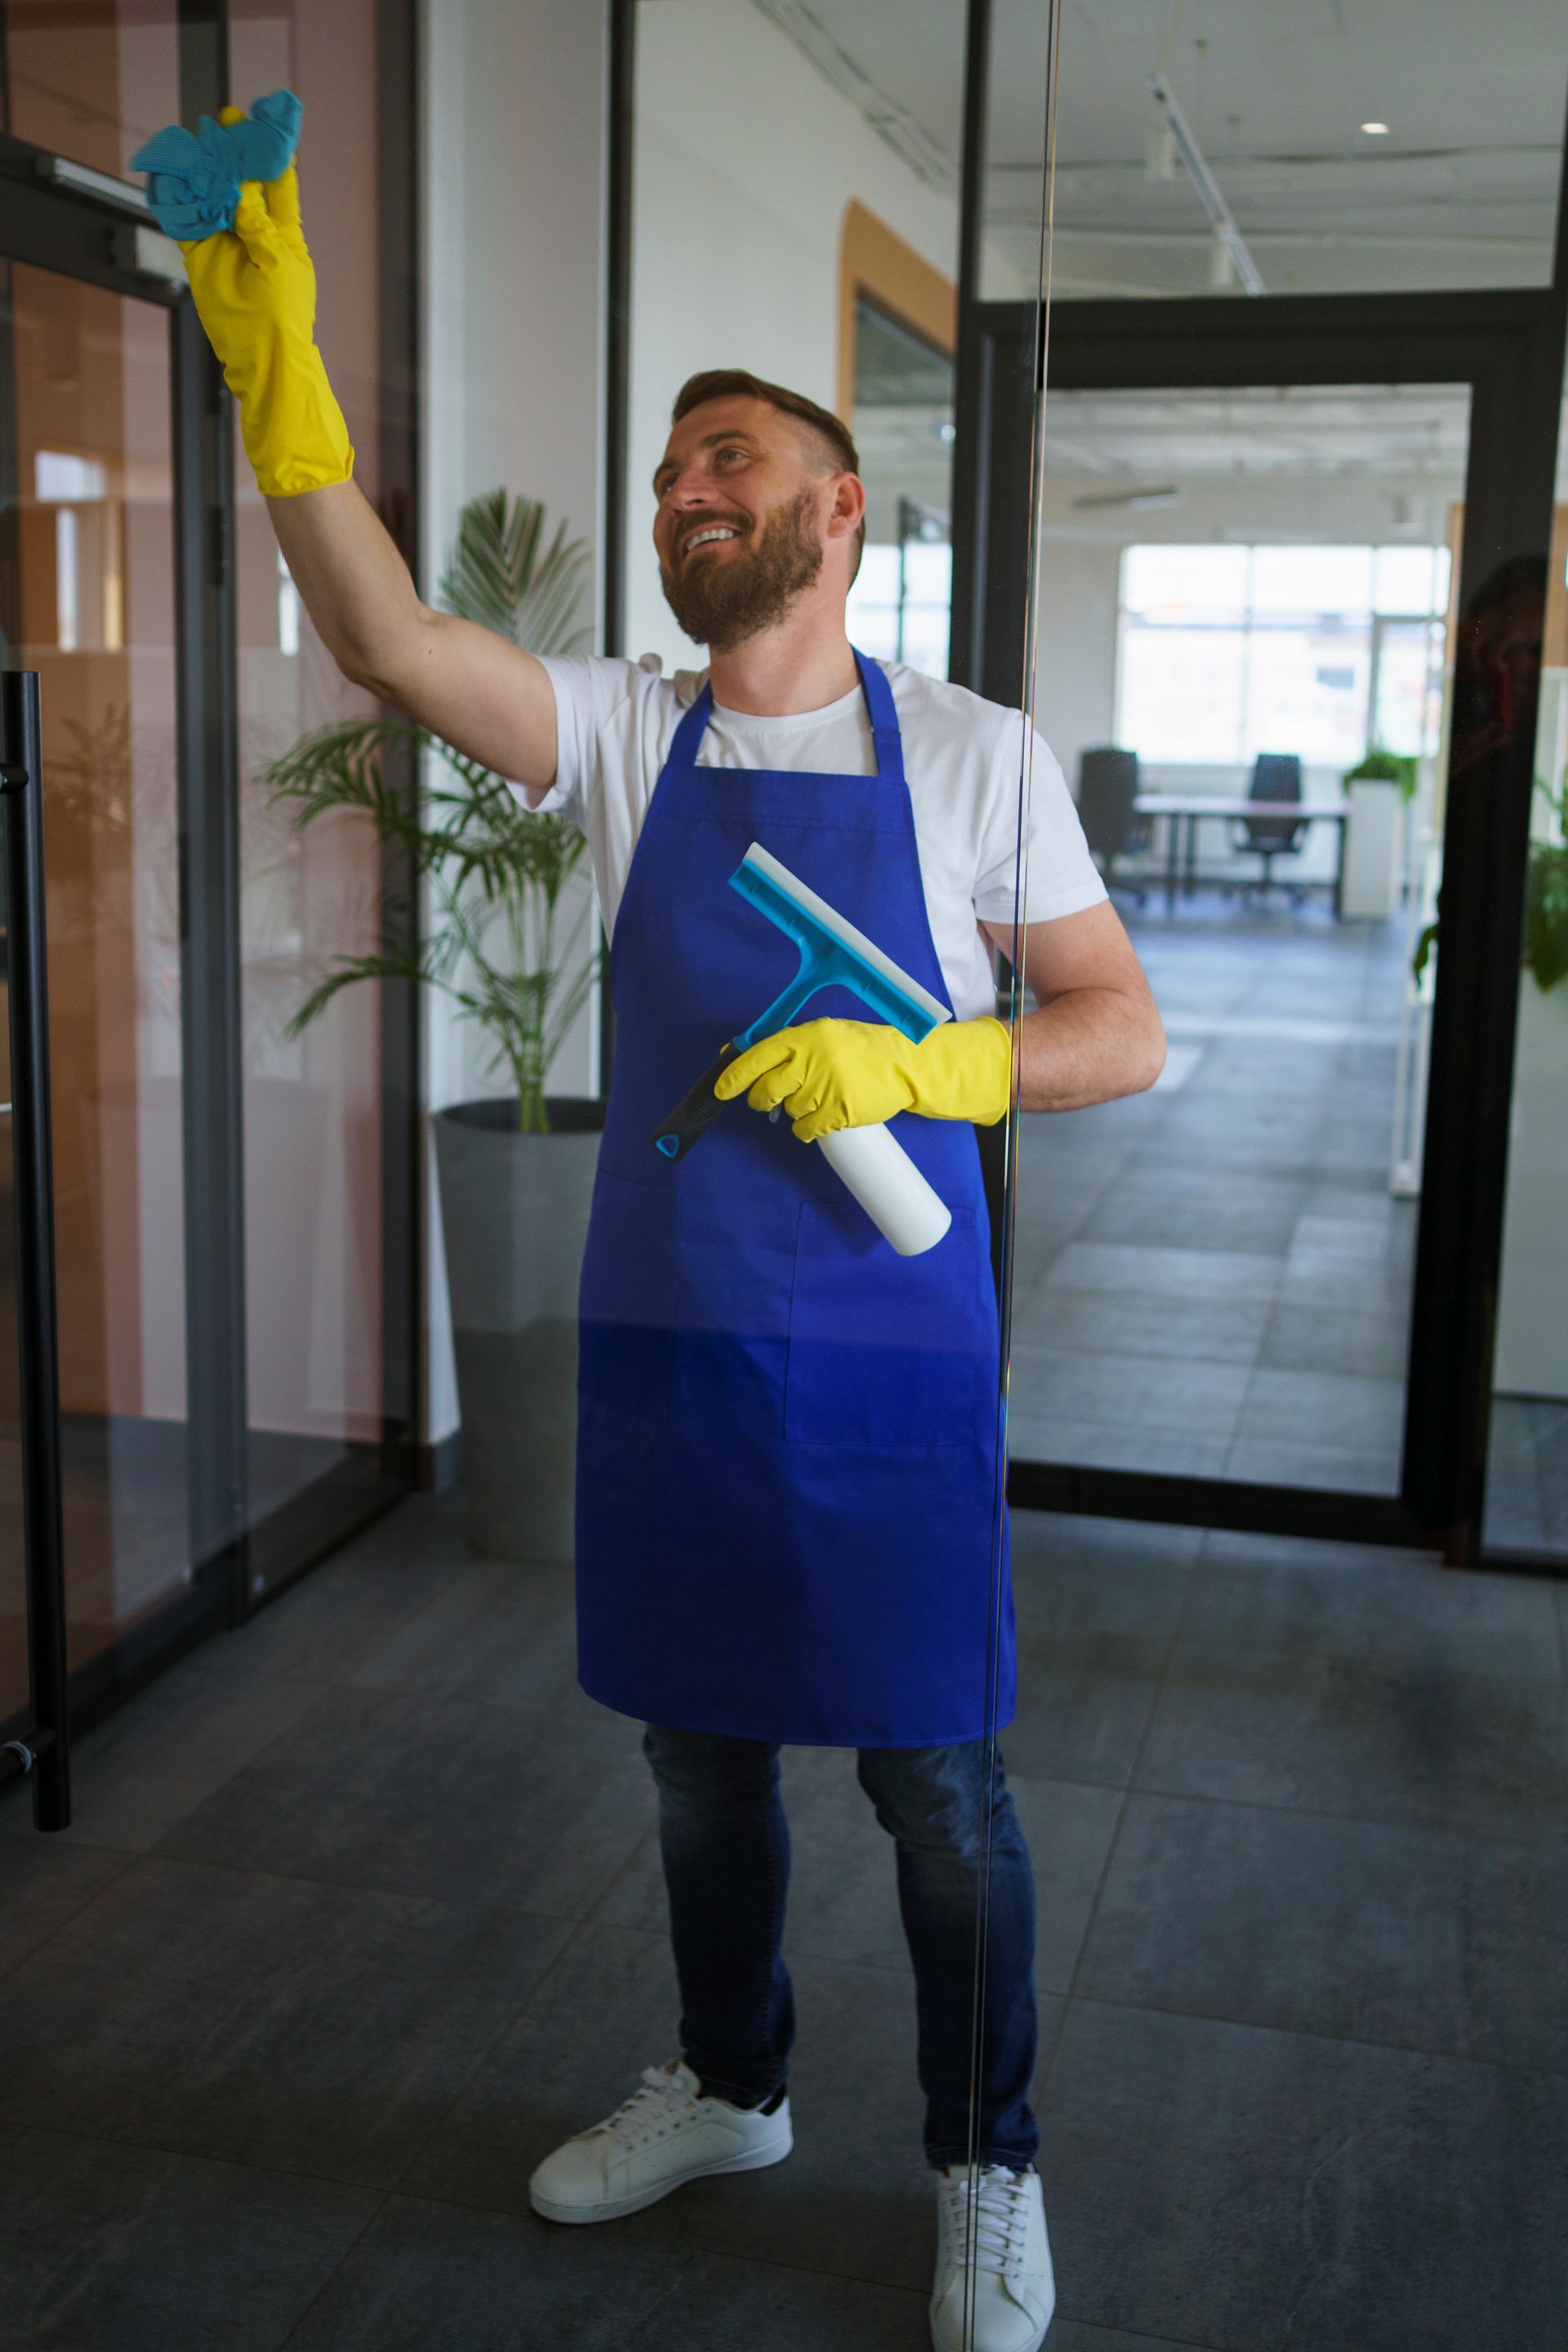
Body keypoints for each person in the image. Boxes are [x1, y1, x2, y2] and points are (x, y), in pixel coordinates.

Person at [145, 102, 1165, 2352]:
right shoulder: (620, 731)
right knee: (700, 1752)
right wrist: (272, 365)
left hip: (893, 1353)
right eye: (674, 469)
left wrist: (932, 1064)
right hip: (674, 1327)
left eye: (733, 460)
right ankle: (730, 2081)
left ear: (837, 512)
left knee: (933, 1775)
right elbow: (395, 639)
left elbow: (1122, 1031)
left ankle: (988, 2165)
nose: (689, 492)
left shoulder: (983, 754)